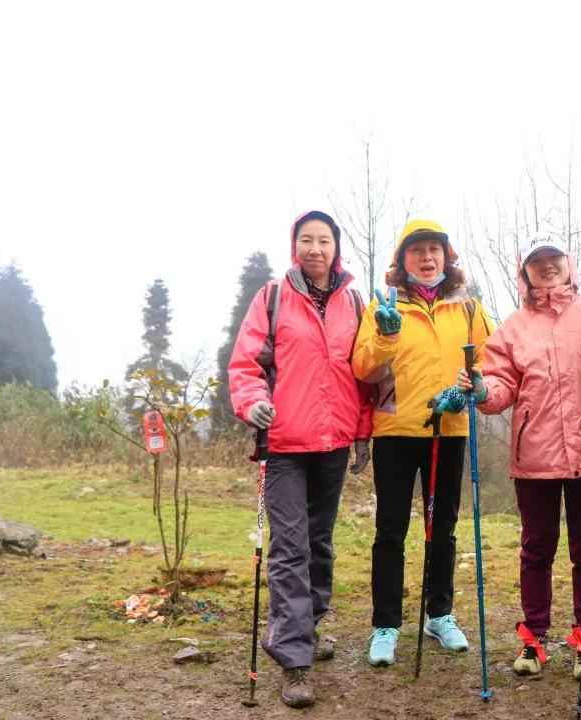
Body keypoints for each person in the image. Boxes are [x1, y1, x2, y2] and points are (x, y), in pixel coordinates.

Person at [228, 210, 372, 709]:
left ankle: (305, 629)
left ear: (337, 248)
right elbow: (247, 363)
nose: (315, 248)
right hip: (285, 444)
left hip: (333, 443)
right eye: (306, 240)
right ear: (295, 247)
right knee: (290, 548)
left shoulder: (354, 299)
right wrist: (252, 403)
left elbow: (363, 373)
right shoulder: (271, 298)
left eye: (324, 240)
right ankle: (294, 661)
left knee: (319, 542)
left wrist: (362, 435)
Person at [454, 232, 581, 680]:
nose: (547, 267)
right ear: (525, 270)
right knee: (536, 550)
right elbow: (500, 385)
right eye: (537, 262)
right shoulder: (514, 326)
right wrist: (483, 389)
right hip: (534, 458)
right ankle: (534, 637)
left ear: (569, 263)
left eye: (554, 259)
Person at [350, 218, 493, 667]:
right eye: (417, 250)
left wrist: (470, 388)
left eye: (435, 249)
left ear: (447, 257)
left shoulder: (467, 308)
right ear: (402, 260)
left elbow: (489, 362)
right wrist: (386, 334)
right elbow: (363, 369)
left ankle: (440, 614)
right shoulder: (383, 306)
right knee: (390, 530)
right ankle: (386, 624)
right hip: (394, 429)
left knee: (442, 529)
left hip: (448, 430)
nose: (428, 257)